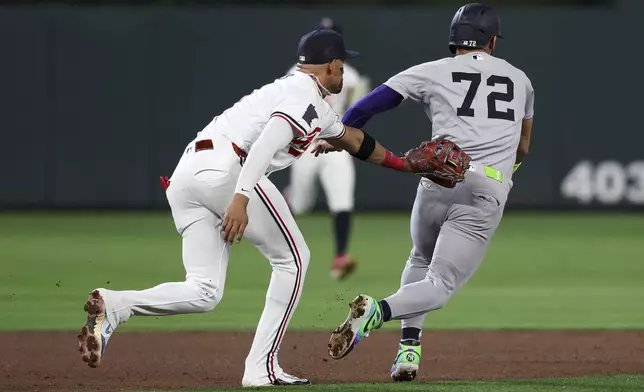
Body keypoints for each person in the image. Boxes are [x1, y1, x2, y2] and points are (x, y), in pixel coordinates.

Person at [77, 29, 423, 387]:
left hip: (188, 177)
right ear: (333, 65)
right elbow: (267, 142)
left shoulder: (303, 98)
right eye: (341, 64)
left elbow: (354, 139)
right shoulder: (303, 96)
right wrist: (240, 197)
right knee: (294, 259)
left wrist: (405, 164)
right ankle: (262, 368)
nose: (343, 69)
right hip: (230, 170)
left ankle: (117, 305)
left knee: (204, 291)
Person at [327, 2, 535, 383]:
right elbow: (522, 147)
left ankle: (409, 348)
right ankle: (377, 311)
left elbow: (368, 106)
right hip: (485, 188)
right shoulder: (519, 80)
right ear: (491, 41)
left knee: (420, 259)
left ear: (454, 39)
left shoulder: (430, 71)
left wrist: (338, 135)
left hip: (435, 178)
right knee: (439, 286)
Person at [284, 17, 371, 280]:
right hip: (307, 144)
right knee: (300, 204)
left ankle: (340, 255)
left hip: (336, 143)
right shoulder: (297, 73)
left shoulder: (351, 75)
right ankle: (285, 213)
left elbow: (359, 107)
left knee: (342, 198)